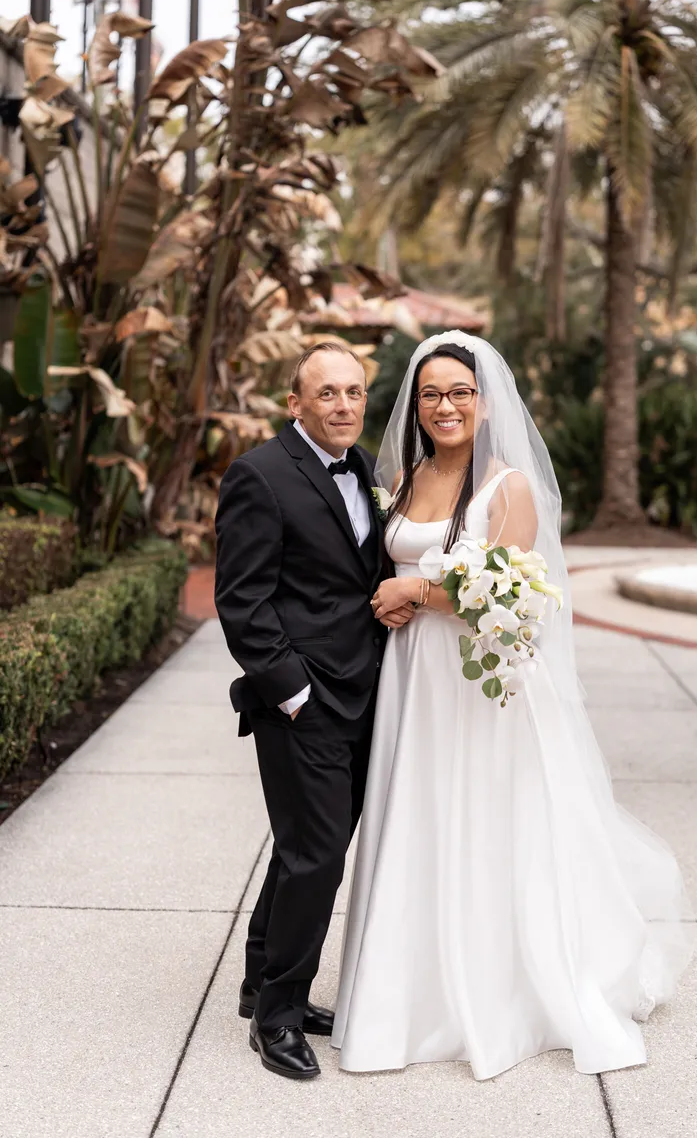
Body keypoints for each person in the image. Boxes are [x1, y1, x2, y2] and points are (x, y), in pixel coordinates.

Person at [332, 332, 694, 1081]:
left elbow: (513, 602)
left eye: (459, 392)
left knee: (484, 823)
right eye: (431, 393)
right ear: (416, 405)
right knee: (418, 816)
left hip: (478, 684)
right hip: (412, 681)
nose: (445, 406)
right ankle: (406, 984)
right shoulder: (398, 480)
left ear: (486, 401)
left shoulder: (508, 489)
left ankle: (492, 989)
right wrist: (390, 597)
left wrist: (417, 592)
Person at [214, 341, 413, 1080]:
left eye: (354, 393)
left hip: (366, 694)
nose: (343, 406)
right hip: (303, 703)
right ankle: (279, 1018)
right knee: (317, 856)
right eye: (325, 393)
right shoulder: (259, 474)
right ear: (294, 403)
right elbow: (243, 601)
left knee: (303, 849)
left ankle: (261, 982)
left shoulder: (364, 469)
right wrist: (294, 693)